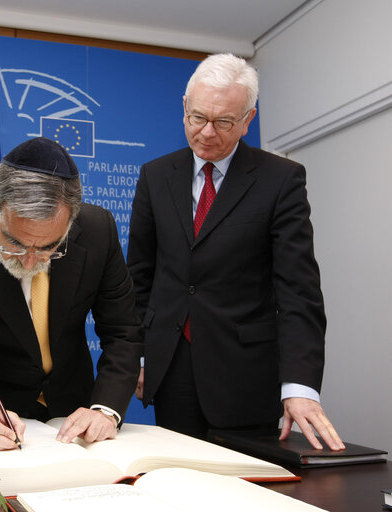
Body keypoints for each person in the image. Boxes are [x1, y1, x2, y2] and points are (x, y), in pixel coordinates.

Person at [127, 53, 344, 450]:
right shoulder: (155, 176)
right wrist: (140, 356)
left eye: (224, 121)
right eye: (198, 118)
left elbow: (299, 292)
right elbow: (139, 277)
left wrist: (299, 385)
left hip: (247, 375)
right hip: (172, 367)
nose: (207, 132)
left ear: (248, 119)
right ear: (184, 109)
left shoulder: (281, 180)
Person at [0, 137, 142, 451]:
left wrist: (105, 409)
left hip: (73, 418)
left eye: (48, 248)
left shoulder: (98, 232)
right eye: (14, 243)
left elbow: (123, 331)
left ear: (70, 221)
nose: (29, 262)